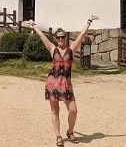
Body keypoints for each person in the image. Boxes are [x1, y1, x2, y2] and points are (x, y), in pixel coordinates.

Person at [27, 15, 99, 147]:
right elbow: (42, 36)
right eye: (58, 37)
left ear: (66, 37)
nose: (60, 39)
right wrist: (33, 25)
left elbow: (81, 35)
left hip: (66, 85)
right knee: (55, 111)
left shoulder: (71, 49)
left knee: (73, 111)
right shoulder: (52, 49)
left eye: (63, 36)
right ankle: (58, 136)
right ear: (55, 39)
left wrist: (89, 21)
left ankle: (70, 132)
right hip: (52, 84)